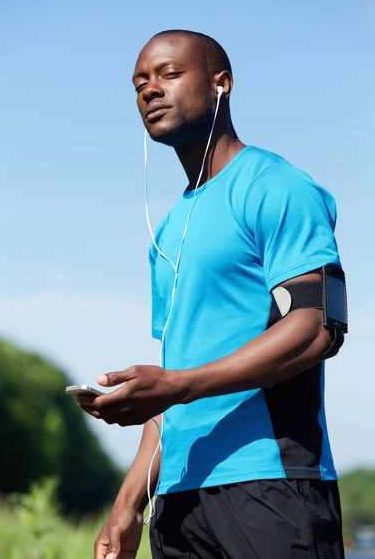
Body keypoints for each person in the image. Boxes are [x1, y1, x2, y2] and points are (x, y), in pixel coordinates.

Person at [77, 30, 346, 559]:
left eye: (169, 74)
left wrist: (176, 385)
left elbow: (316, 328)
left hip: (269, 484)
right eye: (139, 84)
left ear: (221, 83)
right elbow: (172, 381)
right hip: (176, 503)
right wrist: (130, 503)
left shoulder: (276, 185)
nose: (151, 90)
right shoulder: (167, 231)